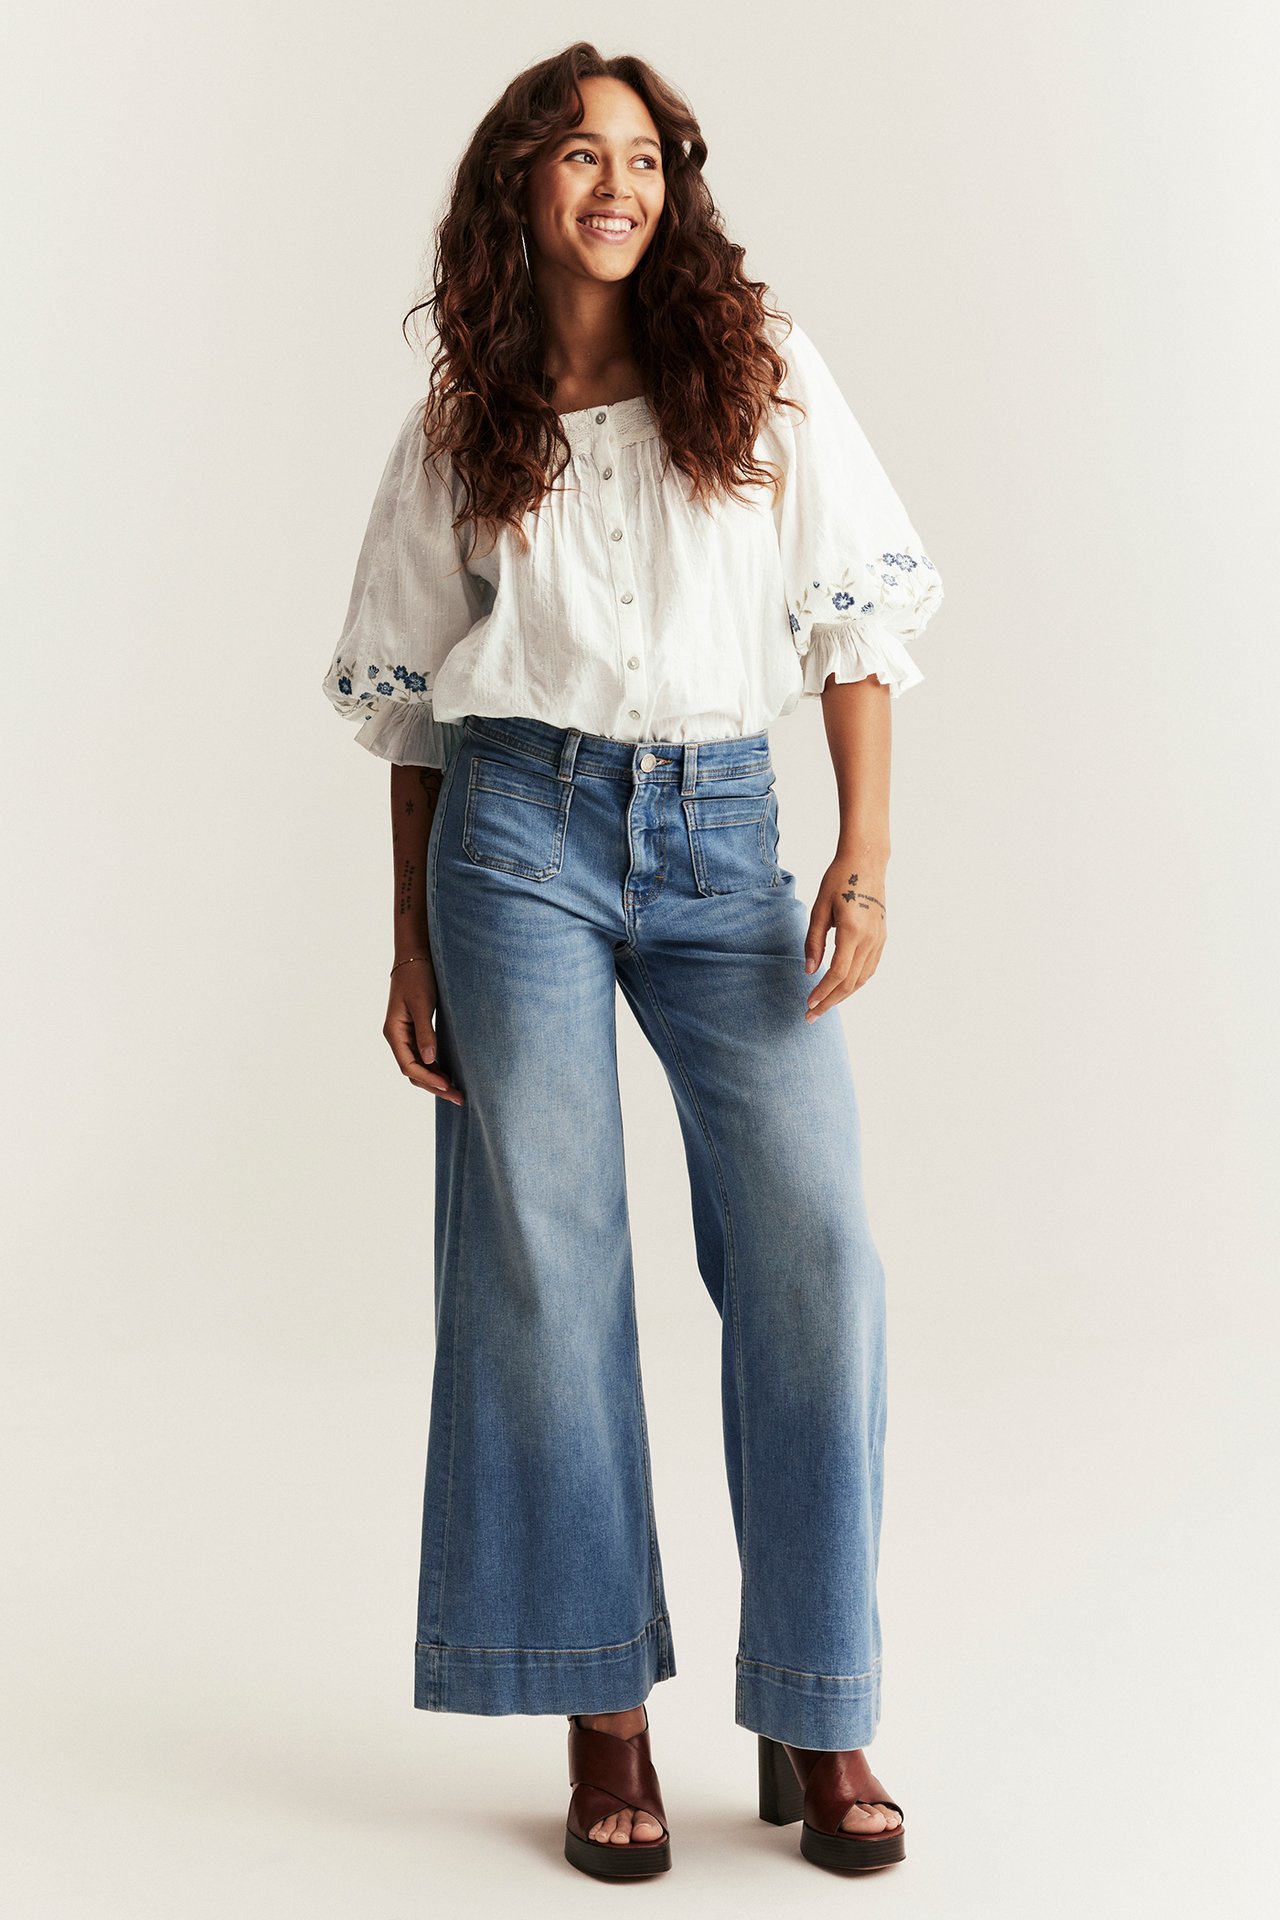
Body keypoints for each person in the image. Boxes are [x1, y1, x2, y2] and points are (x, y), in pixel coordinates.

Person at [321, 42, 943, 1882]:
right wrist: (409, 938)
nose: (620, 183)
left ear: (675, 188)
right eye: (581, 154)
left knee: (814, 1246)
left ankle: (819, 1707)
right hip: (511, 843)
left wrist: (869, 854)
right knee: (550, 1269)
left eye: (648, 157)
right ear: (516, 185)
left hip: (719, 835)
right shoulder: (465, 420)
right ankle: (606, 1712)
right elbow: (417, 715)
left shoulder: (758, 376)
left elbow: (856, 621)